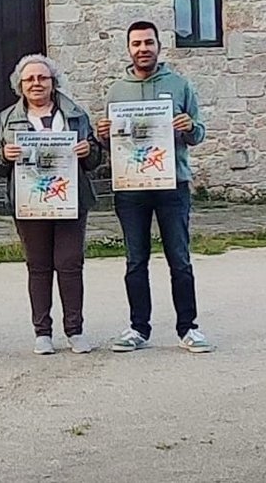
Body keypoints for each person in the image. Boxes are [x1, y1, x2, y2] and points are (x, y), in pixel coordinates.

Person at [95, 21, 215, 354]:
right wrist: (104, 135)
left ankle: (188, 328)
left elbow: (199, 133)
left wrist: (190, 127)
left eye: (148, 42)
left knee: (179, 258)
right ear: (128, 49)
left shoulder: (179, 85)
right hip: (131, 187)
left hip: (172, 184)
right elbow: (112, 144)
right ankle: (138, 328)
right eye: (136, 44)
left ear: (159, 46)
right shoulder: (117, 91)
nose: (142, 49)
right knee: (135, 260)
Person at [0, 54, 102, 355]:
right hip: (29, 201)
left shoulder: (75, 114)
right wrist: (4, 156)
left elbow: (95, 160)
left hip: (70, 199)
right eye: (29, 79)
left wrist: (88, 149)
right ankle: (42, 332)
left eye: (42, 78)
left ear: (53, 82)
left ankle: (75, 330)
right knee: (38, 266)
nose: (36, 84)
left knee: (69, 263)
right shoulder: (7, 118)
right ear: (20, 85)